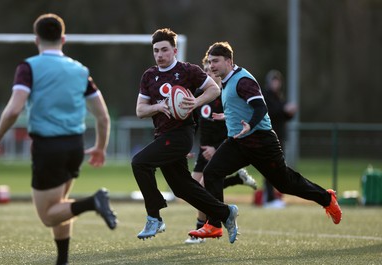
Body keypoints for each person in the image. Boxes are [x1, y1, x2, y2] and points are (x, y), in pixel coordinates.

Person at [0, 14, 117, 265]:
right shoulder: (81, 71)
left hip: (48, 147)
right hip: (74, 146)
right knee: (60, 206)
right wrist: (100, 147)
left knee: (48, 216)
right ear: (64, 39)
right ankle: (62, 262)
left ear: (36, 39)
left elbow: (14, 110)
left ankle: (94, 201)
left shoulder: (29, 67)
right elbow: (102, 117)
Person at [188, 42, 342, 240]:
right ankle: (215, 224)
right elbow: (242, 106)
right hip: (238, 142)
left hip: (261, 142)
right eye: (209, 62)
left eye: (215, 61)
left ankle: (327, 198)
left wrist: (249, 126)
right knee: (211, 173)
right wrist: (227, 117)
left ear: (229, 61)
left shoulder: (243, 80)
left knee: (286, 184)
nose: (212, 66)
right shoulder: (225, 81)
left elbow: (261, 108)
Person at [131, 28, 238, 244]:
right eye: (156, 51)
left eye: (164, 50)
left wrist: (195, 102)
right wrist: (159, 107)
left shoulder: (188, 70)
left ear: (174, 50)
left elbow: (214, 90)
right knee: (181, 187)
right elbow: (140, 110)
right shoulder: (149, 76)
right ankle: (225, 213)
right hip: (162, 135)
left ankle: (154, 216)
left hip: (181, 134)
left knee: (139, 162)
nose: (159, 54)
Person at [185, 56, 257, 244]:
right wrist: (185, 146)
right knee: (192, 190)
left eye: (210, 69)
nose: (208, 72)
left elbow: (235, 125)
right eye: (205, 70)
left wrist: (216, 149)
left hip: (221, 148)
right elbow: (192, 124)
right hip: (203, 151)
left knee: (203, 188)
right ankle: (237, 179)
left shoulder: (227, 94)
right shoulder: (200, 95)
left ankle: (201, 230)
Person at [261, 69, 297, 208]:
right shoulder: (266, 96)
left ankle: (272, 197)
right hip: (269, 137)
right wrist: (284, 109)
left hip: (279, 137)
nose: (276, 83)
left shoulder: (278, 97)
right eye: (273, 81)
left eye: (277, 81)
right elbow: (271, 112)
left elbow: (284, 116)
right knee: (270, 167)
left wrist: (290, 112)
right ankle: (269, 198)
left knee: (277, 168)